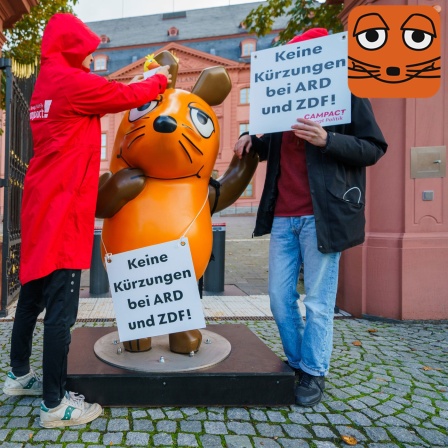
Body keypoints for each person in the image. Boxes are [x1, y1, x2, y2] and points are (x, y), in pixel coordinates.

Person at [2, 13, 170, 428]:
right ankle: (55, 406)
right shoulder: (72, 82)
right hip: (62, 210)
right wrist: (160, 79)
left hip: (41, 203)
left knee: (32, 294)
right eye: (87, 52)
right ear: (74, 48)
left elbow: (98, 93)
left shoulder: (47, 80)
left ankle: (18, 375)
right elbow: (123, 96)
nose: (91, 60)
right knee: (62, 309)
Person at [234, 28, 388, 407]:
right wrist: (249, 137)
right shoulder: (281, 102)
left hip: (323, 216)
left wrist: (328, 140)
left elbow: (374, 147)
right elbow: (269, 144)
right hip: (284, 218)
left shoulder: (344, 93)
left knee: (319, 302)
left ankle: (313, 372)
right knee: (277, 297)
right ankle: (300, 360)